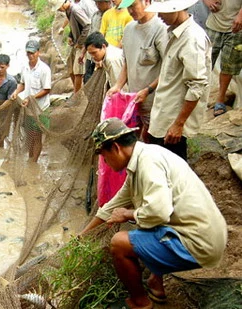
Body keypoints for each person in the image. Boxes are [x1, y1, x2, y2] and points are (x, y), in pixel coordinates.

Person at [80, 117, 227, 309]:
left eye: (103, 155)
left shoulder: (148, 163)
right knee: (145, 223)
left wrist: (127, 214)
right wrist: (82, 236)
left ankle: (140, 303)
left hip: (200, 243)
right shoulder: (142, 159)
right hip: (206, 233)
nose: (104, 162)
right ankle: (156, 285)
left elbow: (159, 212)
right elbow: (111, 207)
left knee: (120, 243)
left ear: (115, 147)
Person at [146, 0, 211, 161]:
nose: (159, 15)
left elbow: (197, 85)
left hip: (172, 124)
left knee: (173, 172)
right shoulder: (174, 32)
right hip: (163, 115)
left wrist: (178, 124)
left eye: (163, 11)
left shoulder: (191, 38)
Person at [107, 0, 168, 142]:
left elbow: (168, 69)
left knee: (154, 141)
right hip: (134, 101)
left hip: (155, 102)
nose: (130, 11)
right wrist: (118, 86)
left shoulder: (161, 29)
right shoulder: (129, 29)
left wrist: (148, 90)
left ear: (147, 1)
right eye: (127, 8)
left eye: (133, 6)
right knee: (132, 140)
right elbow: (127, 63)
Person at [11, 40, 51, 163]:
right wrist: (16, 92)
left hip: (41, 109)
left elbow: (46, 89)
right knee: (30, 134)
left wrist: (31, 98)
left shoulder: (44, 69)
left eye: (33, 53)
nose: (30, 55)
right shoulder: (25, 67)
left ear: (38, 52)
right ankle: (30, 157)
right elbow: (22, 83)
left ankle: (34, 161)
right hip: (28, 108)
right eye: (28, 53)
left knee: (37, 136)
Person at [203, 0, 242, 116]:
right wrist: (208, 2)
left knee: (228, 65)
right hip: (214, 24)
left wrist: (240, 16)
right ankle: (199, 98)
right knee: (204, 63)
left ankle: (220, 99)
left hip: (235, 27)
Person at [55, 0, 91, 93]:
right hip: (75, 43)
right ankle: (76, 92)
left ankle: (77, 96)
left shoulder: (75, 10)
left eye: (59, 7)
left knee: (78, 71)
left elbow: (87, 25)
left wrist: (80, 42)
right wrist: (71, 35)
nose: (59, 10)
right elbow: (73, 25)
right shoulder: (68, 11)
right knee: (70, 68)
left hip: (82, 45)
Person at [84, 0, 113, 84]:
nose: (97, 5)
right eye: (96, 2)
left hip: (102, 52)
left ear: (108, 2)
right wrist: (83, 51)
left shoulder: (110, 15)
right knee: (88, 78)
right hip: (92, 53)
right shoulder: (95, 15)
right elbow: (90, 32)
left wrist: (101, 57)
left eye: (100, 3)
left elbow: (104, 36)